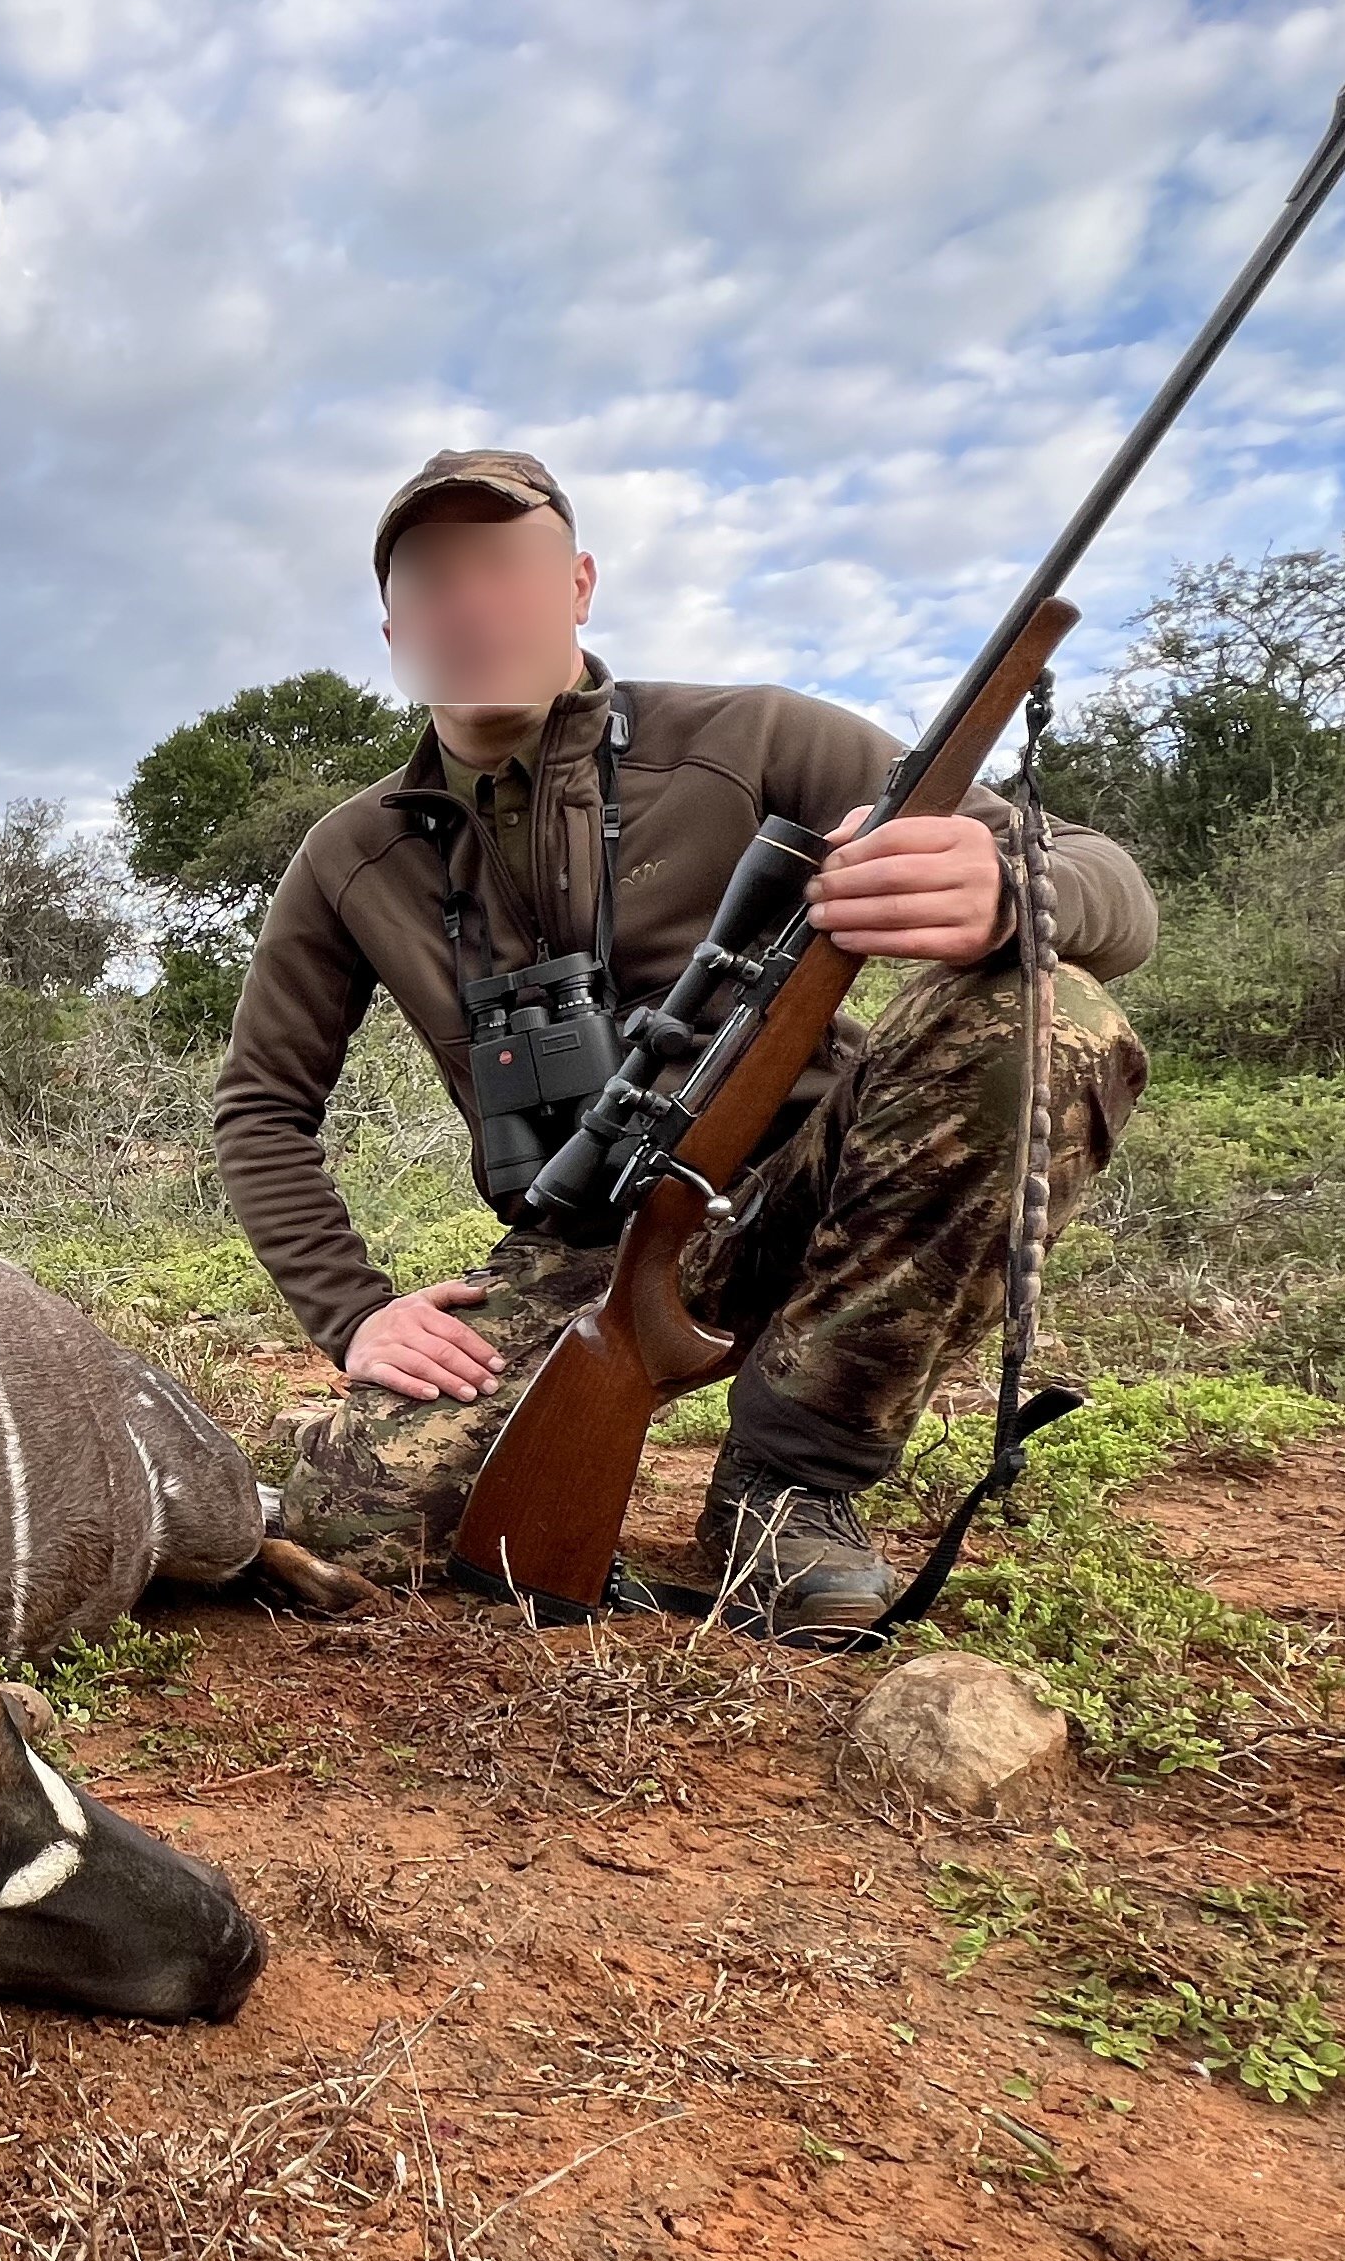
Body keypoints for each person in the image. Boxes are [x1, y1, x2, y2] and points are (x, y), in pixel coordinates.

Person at [213, 447, 1159, 1636]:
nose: (473, 604)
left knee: (1046, 1012)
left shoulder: (758, 735)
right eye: (435, 581)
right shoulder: (348, 855)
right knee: (356, 1523)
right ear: (394, 627)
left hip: (829, 1193)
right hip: (585, 1244)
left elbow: (1111, 884)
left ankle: (790, 1487)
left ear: (581, 585)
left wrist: (1012, 888)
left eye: (507, 566)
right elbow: (259, 1108)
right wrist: (353, 1313)